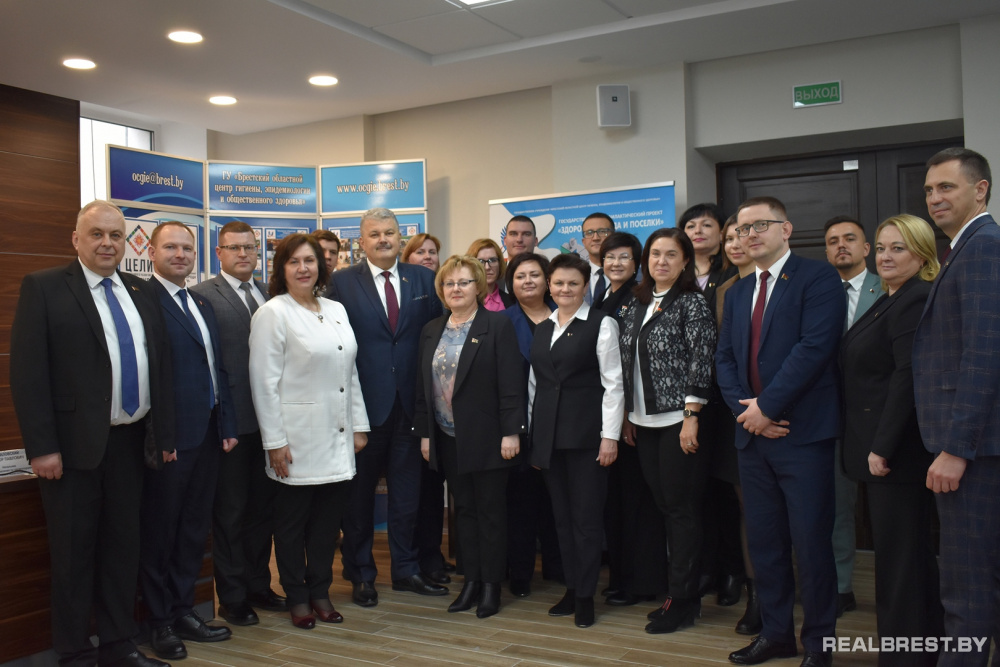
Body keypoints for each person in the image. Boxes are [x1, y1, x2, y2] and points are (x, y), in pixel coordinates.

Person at [10, 200, 173, 667]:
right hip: (71, 449)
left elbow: (158, 367)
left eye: (116, 235)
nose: (107, 243)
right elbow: (28, 373)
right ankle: (76, 654)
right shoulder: (44, 287)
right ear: (76, 239)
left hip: (130, 444)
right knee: (73, 557)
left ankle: (119, 645)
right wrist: (42, 447)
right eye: (97, 234)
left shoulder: (141, 291)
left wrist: (162, 437)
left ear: (126, 242)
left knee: (123, 550)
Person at [715, 196, 844, 667]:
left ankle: (820, 644)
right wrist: (748, 413)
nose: (749, 235)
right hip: (752, 439)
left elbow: (814, 349)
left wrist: (767, 408)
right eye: (742, 228)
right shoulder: (738, 292)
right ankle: (776, 635)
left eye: (760, 225)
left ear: (785, 229)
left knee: (810, 546)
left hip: (801, 435)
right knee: (766, 544)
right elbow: (725, 359)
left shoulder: (818, 278)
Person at [325, 207, 445, 607]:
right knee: (358, 501)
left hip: (411, 407)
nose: (383, 239)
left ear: (400, 237)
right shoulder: (341, 283)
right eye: (374, 234)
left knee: (407, 498)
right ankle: (361, 575)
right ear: (361, 242)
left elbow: (436, 339)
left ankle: (406, 570)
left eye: (389, 232)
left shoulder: (424, 279)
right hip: (363, 410)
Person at [249, 233, 369, 629]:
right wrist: (274, 442)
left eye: (310, 261)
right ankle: (297, 597)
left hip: (337, 436)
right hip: (295, 440)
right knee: (290, 526)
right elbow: (263, 383)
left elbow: (349, 372)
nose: (303, 268)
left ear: (321, 266)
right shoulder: (272, 313)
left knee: (325, 526)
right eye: (294, 261)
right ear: (281, 269)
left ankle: (320, 592)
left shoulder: (335, 309)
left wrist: (359, 426)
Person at [841, 214, 943, 667]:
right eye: (881, 248)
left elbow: (907, 378)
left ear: (921, 254)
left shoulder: (914, 298)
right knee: (903, 560)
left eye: (897, 248)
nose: (885, 256)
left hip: (898, 454)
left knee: (901, 564)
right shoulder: (891, 297)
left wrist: (881, 446)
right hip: (884, 450)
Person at [913, 147, 1000, 667]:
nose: (935, 198)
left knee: (967, 587)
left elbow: (984, 354)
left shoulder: (984, 247)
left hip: (974, 451)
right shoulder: (962, 248)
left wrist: (956, 448)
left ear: (980, 189)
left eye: (946, 187)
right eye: (929, 190)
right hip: (970, 446)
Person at [141, 222, 239, 660]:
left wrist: (228, 425)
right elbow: (150, 374)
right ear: (152, 251)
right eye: (171, 247)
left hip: (209, 434)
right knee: (161, 534)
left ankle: (184, 611)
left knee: (194, 531)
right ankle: (159, 622)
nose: (180, 254)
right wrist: (161, 434)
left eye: (187, 248)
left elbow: (217, 368)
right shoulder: (144, 300)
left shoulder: (200, 302)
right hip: (171, 439)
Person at [413, 255, 526, 618]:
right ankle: (471, 582)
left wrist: (511, 432)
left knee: (490, 512)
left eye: (463, 282)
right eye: (449, 283)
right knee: (463, 512)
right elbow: (424, 388)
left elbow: (511, 383)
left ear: (478, 286)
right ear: (441, 290)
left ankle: (491, 586)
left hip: (490, 437)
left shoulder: (497, 325)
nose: (456, 289)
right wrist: (426, 435)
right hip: (448, 437)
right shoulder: (432, 329)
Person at [618, 228, 717, 634]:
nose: (661, 261)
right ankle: (679, 592)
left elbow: (701, 358)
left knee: (681, 512)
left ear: (685, 261)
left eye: (671, 254)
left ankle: (684, 600)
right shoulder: (635, 303)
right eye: (655, 254)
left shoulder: (692, 302)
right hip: (643, 422)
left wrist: (692, 413)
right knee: (664, 508)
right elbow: (625, 363)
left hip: (679, 422)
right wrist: (628, 413)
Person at [192, 221, 285, 626]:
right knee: (230, 513)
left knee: (263, 512)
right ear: (219, 252)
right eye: (234, 248)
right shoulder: (202, 296)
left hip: (270, 423)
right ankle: (232, 597)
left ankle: (259, 585)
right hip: (231, 425)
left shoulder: (270, 293)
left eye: (249, 247)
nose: (243, 254)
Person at [529, 252, 624, 629]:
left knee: (586, 521)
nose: (564, 289)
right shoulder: (543, 328)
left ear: (586, 287)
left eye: (573, 283)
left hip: (588, 438)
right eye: (558, 283)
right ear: (549, 287)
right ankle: (571, 587)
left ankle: (585, 596)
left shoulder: (602, 324)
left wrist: (609, 437)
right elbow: (535, 387)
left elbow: (614, 384)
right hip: (549, 439)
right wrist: (535, 439)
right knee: (562, 520)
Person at [594, 232, 667, 608]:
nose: (616, 263)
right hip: (610, 412)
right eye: (610, 257)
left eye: (624, 257)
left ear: (637, 263)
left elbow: (632, 361)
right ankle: (621, 578)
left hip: (632, 413)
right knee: (618, 503)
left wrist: (625, 414)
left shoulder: (640, 298)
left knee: (638, 502)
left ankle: (642, 582)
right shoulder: (601, 297)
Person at [822, 214, 884, 617]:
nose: (840, 245)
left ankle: (897, 595)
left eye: (849, 239)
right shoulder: (819, 292)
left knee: (889, 512)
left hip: (882, 418)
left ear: (866, 248)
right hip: (832, 418)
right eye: (832, 241)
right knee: (837, 507)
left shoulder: (888, 287)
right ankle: (841, 586)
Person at [681, 204, 742, 608]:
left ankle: (734, 570)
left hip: (726, 400)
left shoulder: (733, 275)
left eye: (707, 224)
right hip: (688, 402)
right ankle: (705, 568)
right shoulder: (678, 276)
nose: (699, 230)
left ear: (722, 233)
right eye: (691, 225)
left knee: (728, 493)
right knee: (696, 492)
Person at [501, 252, 563, 597]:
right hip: (519, 427)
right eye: (520, 276)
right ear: (511, 283)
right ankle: (521, 574)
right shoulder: (501, 322)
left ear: (548, 281)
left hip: (561, 425)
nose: (528, 281)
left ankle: (558, 566)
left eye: (535, 275)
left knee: (558, 501)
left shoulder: (565, 314)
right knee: (521, 505)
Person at [714, 215, 762, 635]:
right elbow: (722, 356)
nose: (735, 243)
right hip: (734, 413)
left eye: (742, 235)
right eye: (729, 237)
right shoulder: (724, 290)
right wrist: (741, 408)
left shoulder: (789, 283)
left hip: (778, 412)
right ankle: (756, 595)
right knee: (747, 508)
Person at [467, 238, 514, 311]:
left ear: (500, 264)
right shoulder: (464, 300)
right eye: (481, 261)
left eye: (492, 260)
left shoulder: (511, 302)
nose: (487, 267)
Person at [580, 212, 614, 305]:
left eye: (602, 231)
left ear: (613, 237)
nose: (595, 238)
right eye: (589, 233)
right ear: (583, 241)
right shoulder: (576, 274)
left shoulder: (636, 276)